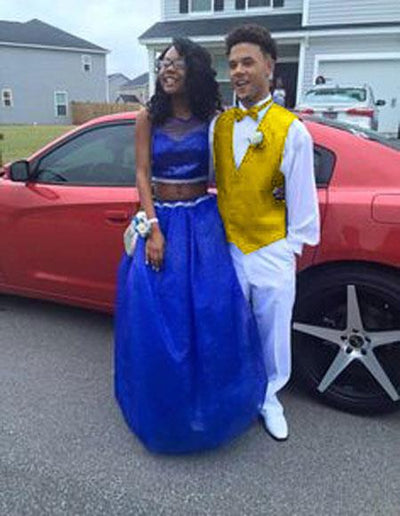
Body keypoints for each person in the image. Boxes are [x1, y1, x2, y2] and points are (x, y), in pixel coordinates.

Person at [114, 38, 266, 454]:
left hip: (203, 223)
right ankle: (165, 408)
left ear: (194, 70)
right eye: (163, 63)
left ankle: (210, 403)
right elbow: (141, 174)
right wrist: (153, 228)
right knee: (160, 320)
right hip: (162, 220)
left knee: (212, 315)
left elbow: (236, 171)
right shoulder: (148, 117)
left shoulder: (212, 119)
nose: (167, 69)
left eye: (176, 63)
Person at [211, 25, 320, 441]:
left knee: (273, 332)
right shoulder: (219, 126)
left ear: (269, 67)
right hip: (229, 247)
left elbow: (303, 200)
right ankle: (236, 391)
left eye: (247, 62)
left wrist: (289, 248)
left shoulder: (292, 130)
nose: (238, 71)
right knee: (231, 325)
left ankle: (270, 396)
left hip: (272, 247)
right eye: (233, 64)